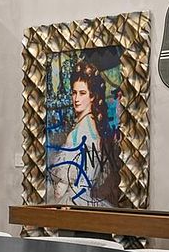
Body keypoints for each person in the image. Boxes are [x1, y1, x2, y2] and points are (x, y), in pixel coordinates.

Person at [47, 59, 118, 206]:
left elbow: (66, 184)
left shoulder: (81, 131)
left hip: (74, 201)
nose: (77, 99)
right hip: (84, 199)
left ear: (92, 96)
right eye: (74, 93)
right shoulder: (92, 125)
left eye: (82, 93)